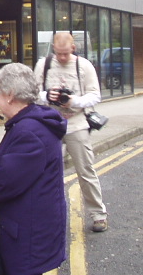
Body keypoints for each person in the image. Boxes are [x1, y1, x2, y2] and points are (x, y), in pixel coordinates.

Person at [0, 63, 67, 275]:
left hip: (27, 240)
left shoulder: (30, 132)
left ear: (10, 95)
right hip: (29, 233)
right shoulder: (27, 124)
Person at [34, 32, 108, 232]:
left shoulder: (84, 66)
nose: (62, 58)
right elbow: (33, 93)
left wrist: (73, 101)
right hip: (50, 124)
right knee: (47, 172)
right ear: (53, 49)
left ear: (73, 48)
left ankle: (98, 215)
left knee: (85, 170)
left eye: (66, 53)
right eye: (59, 54)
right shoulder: (44, 64)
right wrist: (46, 95)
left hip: (76, 123)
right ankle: (48, 216)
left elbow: (95, 96)